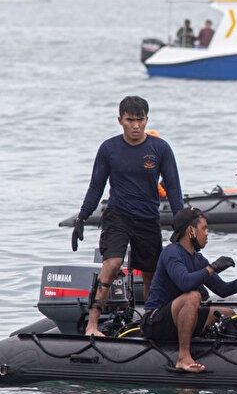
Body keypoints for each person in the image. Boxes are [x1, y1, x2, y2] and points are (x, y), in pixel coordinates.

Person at [72, 96, 183, 337]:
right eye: (130, 120)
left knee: (151, 275)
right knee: (111, 264)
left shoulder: (160, 148)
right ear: (120, 120)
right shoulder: (109, 148)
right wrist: (81, 218)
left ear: (146, 120)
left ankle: (150, 325)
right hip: (118, 216)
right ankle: (92, 324)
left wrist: (181, 222)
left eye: (140, 120)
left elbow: (173, 187)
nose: (135, 126)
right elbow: (95, 187)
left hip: (147, 219)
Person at [142, 208, 237, 372]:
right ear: (191, 230)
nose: (207, 233)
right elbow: (185, 283)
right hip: (155, 321)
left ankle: (208, 348)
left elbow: (222, 289)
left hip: (177, 317)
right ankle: (183, 357)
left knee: (228, 313)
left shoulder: (198, 259)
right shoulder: (171, 252)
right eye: (204, 228)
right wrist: (213, 268)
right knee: (193, 296)